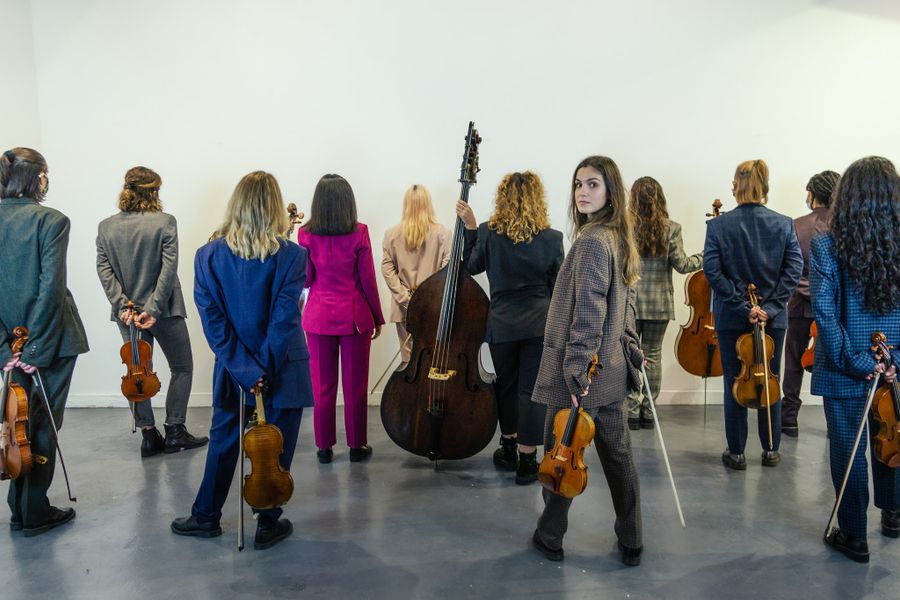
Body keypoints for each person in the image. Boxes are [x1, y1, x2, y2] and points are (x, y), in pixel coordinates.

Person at [171, 171, 313, 550]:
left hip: (235, 370)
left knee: (224, 441)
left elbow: (213, 322)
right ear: (275, 208)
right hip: (282, 367)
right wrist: (262, 372)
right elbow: (284, 320)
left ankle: (206, 516)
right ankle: (268, 520)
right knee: (277, 446)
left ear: (235, 205)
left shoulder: (207, 256)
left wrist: (247, 372)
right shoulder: (293, 256)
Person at [530, 156, 645, 566]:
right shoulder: (618, 237)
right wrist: (630, 349)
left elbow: (589, 311)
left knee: (561, 455)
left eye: (593, 184)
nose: (582, 191)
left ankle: (549, 534)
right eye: (579, 184)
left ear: (610, 192)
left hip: (583, 373)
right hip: (611, 368)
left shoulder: (593, 241)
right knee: (618, 457)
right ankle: (631, 538)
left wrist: (576, 372)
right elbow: (627, 307)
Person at [810, 156, 900, 563]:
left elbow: (825, 313)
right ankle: (894, 515)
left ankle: (854, 535)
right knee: (893, 436)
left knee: (849, 447)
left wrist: (858, 361)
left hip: (847, 368)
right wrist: (893, 359)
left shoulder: (827, 243)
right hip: (894, 365)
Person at [0, 147, 89, 536]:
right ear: (37, 178)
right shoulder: (51, 220)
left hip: (11, 346)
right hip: (52, 341)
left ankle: (18, 507)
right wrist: (33, 350)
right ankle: (34, 509)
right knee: (40, 425)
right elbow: (49, 290)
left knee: (16, 422)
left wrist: (6, 350)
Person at [456, 171, 563, 484]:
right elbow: (558, 287)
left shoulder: (490, 232)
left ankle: (508, 444)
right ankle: (529, 460)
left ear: (502, 199)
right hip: (539, 325)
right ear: (537, 199)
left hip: (502, 324)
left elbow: (470, 267)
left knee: (504, 386)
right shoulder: (552, 238)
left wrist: (472, 231)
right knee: (531, 391)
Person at [96, 166, 208, 457]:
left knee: (136, 373)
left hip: (129, 316)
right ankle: (175, 430)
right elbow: (168, 271)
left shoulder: (106, 226)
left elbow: (104, 270)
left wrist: (123, 306)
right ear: (154, 191)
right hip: (165, 311)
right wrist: (154, 309)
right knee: (181, 367)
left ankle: (148, 435)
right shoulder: (165, 223)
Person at [704, 159, 803, 470]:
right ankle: (771, 449)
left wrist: (743, 307)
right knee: (768, 378)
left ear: (736, 185)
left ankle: (737, 453)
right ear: (765, 186)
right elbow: (793, 271)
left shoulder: (718, 226)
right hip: (772, 321)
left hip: (733, 319)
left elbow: (713, 272)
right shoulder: (784, 223)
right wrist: (769, 308)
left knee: (736, 380)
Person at [297, 174, 385, 464]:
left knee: (322, 386)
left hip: (319, 316)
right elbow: (367, 279)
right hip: (354, 316)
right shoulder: (359, 232)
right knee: (355, 385)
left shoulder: (306, 234)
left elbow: (307, 278)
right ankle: (357, 446)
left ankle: (324, 447)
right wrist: (377, 317)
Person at [626, 176, 703, 430]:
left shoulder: (624, 227)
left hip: (632, 301)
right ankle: (649, 410)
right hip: (659, 304)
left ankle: (632, 409)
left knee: (630, 353)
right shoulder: (671, 228)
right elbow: (683, 265)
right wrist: (706, 255)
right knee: (653, 355)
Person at [780, 170, 839, 437]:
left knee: (793, 361)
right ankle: (833, 421)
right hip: (836, 308)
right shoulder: (845, 225)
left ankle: (789, 418)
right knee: (833, 362)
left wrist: (806, 290)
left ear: (813, 194)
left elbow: (789, 269)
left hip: (798, 306)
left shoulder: (797, 225)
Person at [381, 184, 451, 367]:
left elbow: (387, 271)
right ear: (428, 204)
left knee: (409, 363)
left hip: (403, 308)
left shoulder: (391, 234)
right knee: (434, 362)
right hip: (434, 308)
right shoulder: (443, 234)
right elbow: (447, 270)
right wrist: (427, 298)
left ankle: (408, 396)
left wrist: (406, 299)